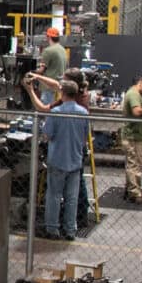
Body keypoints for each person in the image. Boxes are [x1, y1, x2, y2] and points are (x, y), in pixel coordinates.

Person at [27, 73, 91, 241]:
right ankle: (70, 230)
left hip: (57, 160)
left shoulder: (56, 112)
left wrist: (30, 88)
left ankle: (52, 229)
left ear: (62, 92)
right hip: (75, 161)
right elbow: (85, 138)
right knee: (72, 198)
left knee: (54, 196)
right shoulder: (84, 113)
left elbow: (47, 136)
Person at [118, 76, 142, 205]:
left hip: (136, 135)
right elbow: (137, 112)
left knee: (133, 163)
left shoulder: (135, 94)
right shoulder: (133, 94)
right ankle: (135, 194)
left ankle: (131, 190)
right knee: (135, 164)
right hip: (133, 136)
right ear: (140, 83)